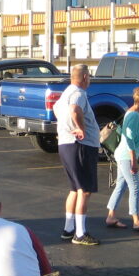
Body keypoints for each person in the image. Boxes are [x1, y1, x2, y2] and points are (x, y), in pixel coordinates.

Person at [55, 64, 100, 246]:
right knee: (85, 190)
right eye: (89, 76)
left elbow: (59, 112)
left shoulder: (64, 93)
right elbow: (74, 110)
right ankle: (80, 234)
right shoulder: (78, 93)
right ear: (85, 77)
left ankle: (68, 229)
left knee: (75, 188)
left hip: (66, 144)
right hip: (80, 145)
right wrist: (80, 129)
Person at [105, 85, 139, 233]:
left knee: (121, 185)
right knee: (135, 188)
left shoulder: (131, 113)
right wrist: (134, 161)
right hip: (127, 156)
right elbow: (129, 138)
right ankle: (136, 221)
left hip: (123, 154)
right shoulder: (133, 115)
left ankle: (111, 216)